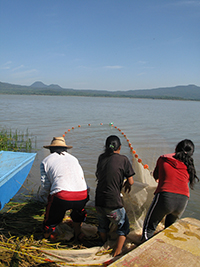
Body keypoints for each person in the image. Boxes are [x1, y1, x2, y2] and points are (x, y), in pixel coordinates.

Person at [142, 139, 199, 242]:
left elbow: (156, 176)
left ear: (176, 148)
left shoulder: (164, 159)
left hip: (165, 197)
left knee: (148, 229)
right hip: (183, 200)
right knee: (169, 229)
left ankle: (145, 250)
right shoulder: (189, 165)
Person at [38, 137, 89, 241]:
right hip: (82, 194)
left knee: (50, 218)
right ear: (65, 149)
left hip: (62, 196)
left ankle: (48, 236)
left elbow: (46, 186)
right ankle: (78, 233)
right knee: (78, 213)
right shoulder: (74, 158)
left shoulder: (45, 161)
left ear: (51, 150)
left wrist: (46, 199)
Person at [95, 135, 135, 257]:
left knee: (103, 225)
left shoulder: (101, 158)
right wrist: (127, 184)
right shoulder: (123, 159)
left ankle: (104, 243)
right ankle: (117, 251)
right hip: (113, 203)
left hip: (98, 201)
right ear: (120, 147)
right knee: (124, 226)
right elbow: (131, 181)